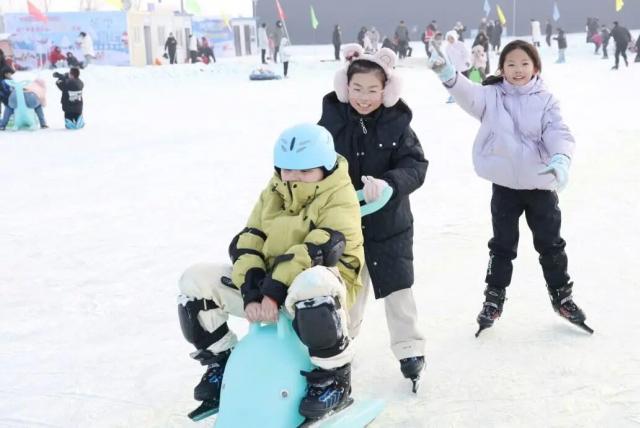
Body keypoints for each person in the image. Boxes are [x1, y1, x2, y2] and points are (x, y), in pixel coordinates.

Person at [177, 123, 365, 420]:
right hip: (269, 287)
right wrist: (251, 289)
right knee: (195, 281)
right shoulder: (275, 189)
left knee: (312, 282)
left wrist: (273, 291)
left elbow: (316, 250)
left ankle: (334, 380)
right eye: (287, 169)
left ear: (326, 167)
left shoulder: (340, 194)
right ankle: (220, 364)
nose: (294, 177)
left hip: (323, 284)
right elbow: (250, 239)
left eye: (305, 171)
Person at [428, 39, 591, 336]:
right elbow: (468, 93)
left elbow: (557, 131)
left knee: (551, 244)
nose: (518, 69)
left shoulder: (546, 100)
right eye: (511, 64)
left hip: (540, 186)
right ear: (501, 68)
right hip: (504, 188)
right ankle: (493, 299)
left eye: (524, 64)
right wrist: (448, 73)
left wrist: (560, 158)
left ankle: (562, 297)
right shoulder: (491, 96)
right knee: (502, 245)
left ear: (536, 67)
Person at [318, 43, 429, 390]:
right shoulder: (330, 124)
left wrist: (389, 184)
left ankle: (409, 350)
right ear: (345, 87)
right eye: (357, 89)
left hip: (389, 224)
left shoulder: (398, 125)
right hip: (343, 225)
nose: (364, 97)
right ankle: (340, 348)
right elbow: (314, 164)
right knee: (347, 292)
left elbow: (415, 166)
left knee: (398, 290)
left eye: (372, 90)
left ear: (386, 90)